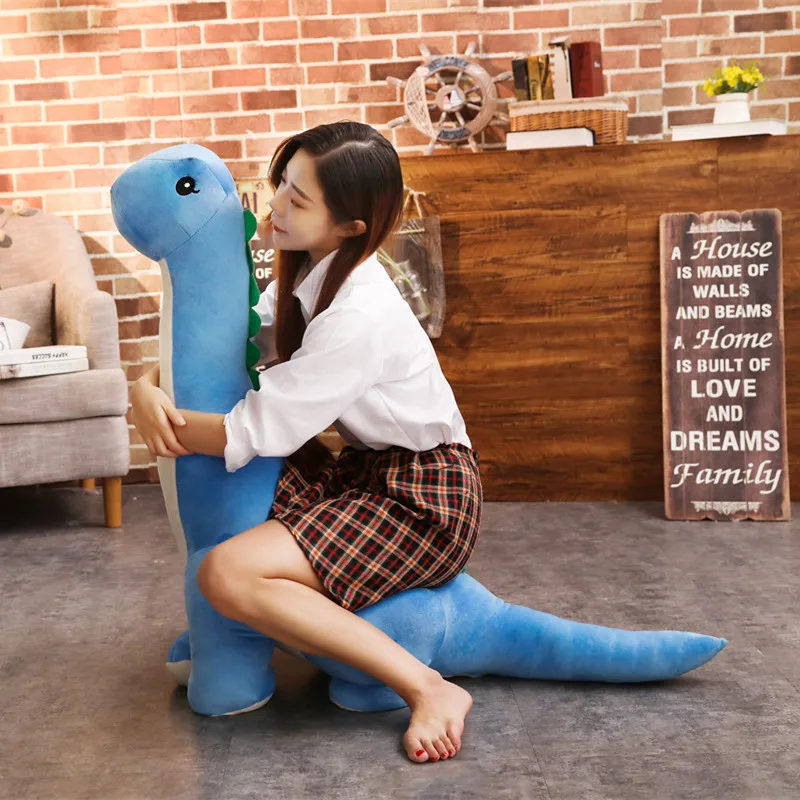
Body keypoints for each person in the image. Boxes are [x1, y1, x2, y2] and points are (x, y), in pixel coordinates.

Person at [130, 121, 483, 764]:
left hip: (422, 497)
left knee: (224, 570)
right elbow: (233, 345)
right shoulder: (314, 276)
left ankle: (427, 687)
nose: (276, 207)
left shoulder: (357, 314)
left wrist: (163, 420)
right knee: (241, 513)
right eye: (281, 186)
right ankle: (235, 636)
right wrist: (143, 385)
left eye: (297, 199)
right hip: (364, 471)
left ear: (350, 225)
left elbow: (250, 429)